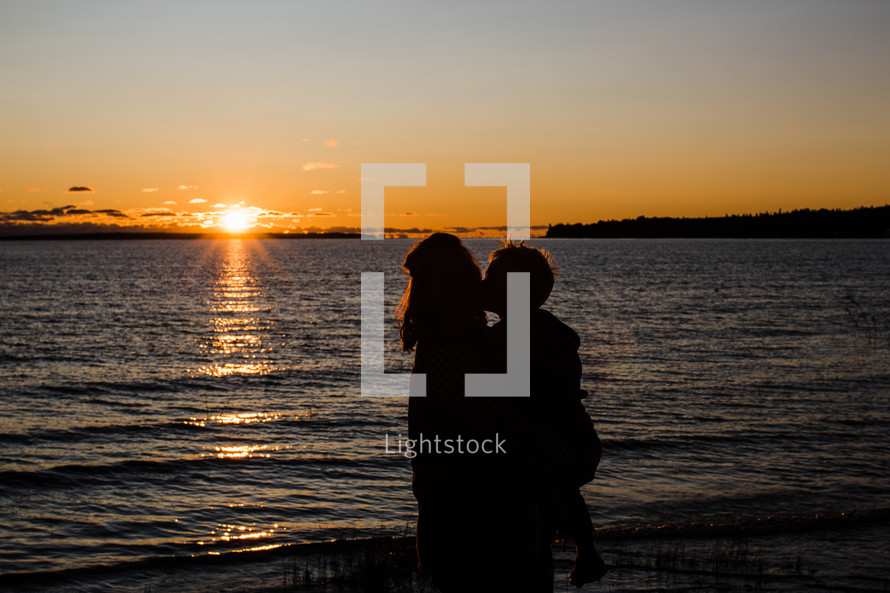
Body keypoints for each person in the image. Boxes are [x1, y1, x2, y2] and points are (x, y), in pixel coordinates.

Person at [398, 233, 553, 593]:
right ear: (429, 294)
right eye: (449, 281)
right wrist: (573, 454)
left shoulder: (481, 342)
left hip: (497, 525)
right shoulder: (449, 356)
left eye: (469, 275)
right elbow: (513, 431)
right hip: (473, 531)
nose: (465, 285)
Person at [482, 239, 608, 587]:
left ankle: (585, 553)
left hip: (550, 422)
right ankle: (586, 552)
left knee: (557, 492)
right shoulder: (547, 327)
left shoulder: (510, 333)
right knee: (567, 491)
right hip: (570, 418)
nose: (482, 283)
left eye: (490, 278)